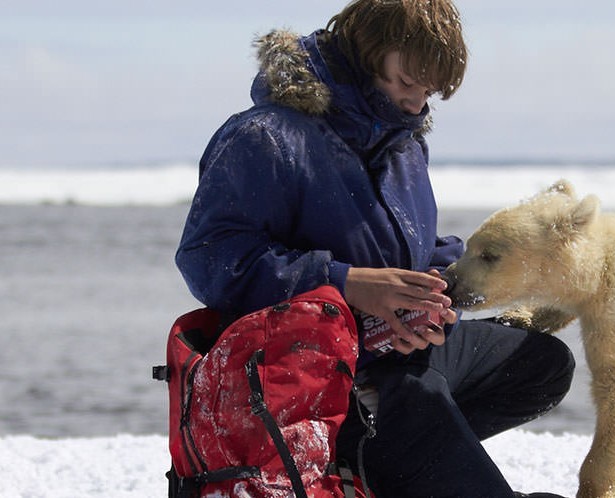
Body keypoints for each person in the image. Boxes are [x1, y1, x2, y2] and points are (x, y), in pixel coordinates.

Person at [175, 1, 575, 496]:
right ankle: (360, 452)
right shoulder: (266, 138)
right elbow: (211, 259)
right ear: (367, 54)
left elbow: (410, 249)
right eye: (407, 82)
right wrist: (346, 285)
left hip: (388, 349)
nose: (416, 103)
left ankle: (380, 466)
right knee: (415, 395)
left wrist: (437, 291)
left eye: (429, 92)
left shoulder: (404, 144)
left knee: (542, 364)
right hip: (306, 374)